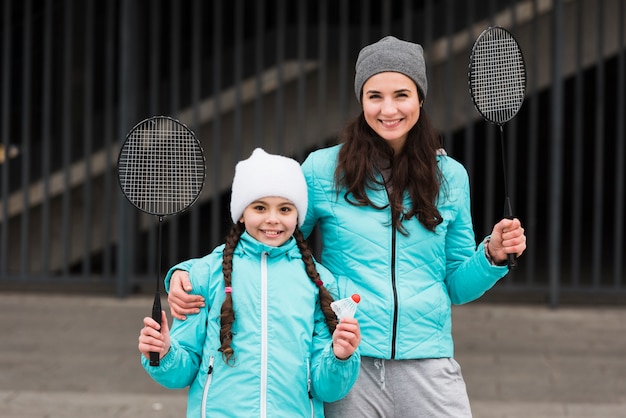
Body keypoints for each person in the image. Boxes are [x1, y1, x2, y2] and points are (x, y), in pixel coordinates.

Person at [165, 36, 526, 417]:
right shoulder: (323, 170)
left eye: (401, 94)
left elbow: (455, 285)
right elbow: (266, 239)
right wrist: (185, 272)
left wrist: (492, 256)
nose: (388, 109)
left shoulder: (451, 177)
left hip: (429, 362)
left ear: (420, 98)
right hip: (347, 358)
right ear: (361, 99)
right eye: (375, 96)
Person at [138, 148, 361, 418]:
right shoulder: (205, 274)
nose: (272, 219)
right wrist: (163, 353)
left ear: (298, 215)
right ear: (241, 213)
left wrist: (340, 357)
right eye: (259, 207)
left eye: (285, 208)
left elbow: (328, 390)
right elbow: (181, 372)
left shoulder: (322, 283)